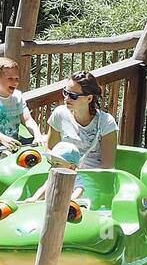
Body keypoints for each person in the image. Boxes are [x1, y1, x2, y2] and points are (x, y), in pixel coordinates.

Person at [28, 70, 118, 202]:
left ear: (89, 98)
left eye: (73, 96)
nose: (66, 98)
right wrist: (60, 167)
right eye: (65, 92)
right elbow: (50, 149)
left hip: (93, 179)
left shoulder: (106, 122)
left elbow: (107, 167)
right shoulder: (60, 114)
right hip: (62, 172)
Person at [0, 56, 42, 163]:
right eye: (10, 79)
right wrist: (2, 138)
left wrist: (37, 135)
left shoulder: (18, 96)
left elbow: (27, 120)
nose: (15, 82)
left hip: (14, 143)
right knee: (5, 154)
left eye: (17, 79)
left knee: (43, 144)